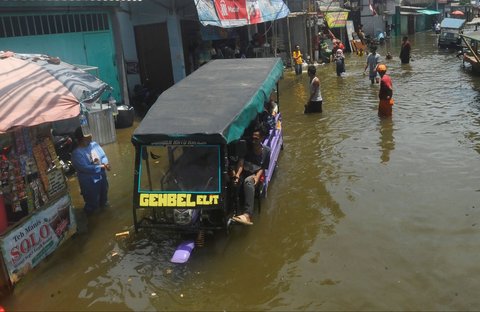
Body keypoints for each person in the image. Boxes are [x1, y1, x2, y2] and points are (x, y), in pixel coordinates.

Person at [232, 125, 270, 225]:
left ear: (262, 138)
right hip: (244, 172)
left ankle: (247, 215)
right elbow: (241, 162)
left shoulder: (266, 151)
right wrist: (237, 175)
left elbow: (262, 167)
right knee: (234, 181)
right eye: (253, 138)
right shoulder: (247, 147)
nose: (253, 140)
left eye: (256, 138)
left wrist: (257, 177)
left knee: (248, 181)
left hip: (254, 175)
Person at [71, 127, 111, 215]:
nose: (91, 135)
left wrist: (105, 163)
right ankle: (91, 221)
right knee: (92, 204)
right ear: (82, 137)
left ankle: (106, 219)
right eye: (88, 134)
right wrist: (102, 167)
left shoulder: (94, 145)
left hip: (102, 178)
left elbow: (103, 156)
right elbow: (85, 168)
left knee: (104, 200)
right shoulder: (77, 153)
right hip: (89, 183)